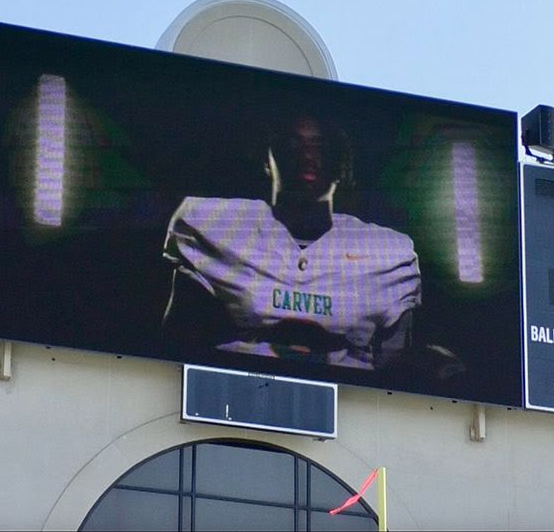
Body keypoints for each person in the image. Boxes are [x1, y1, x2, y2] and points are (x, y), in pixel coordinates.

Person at [160, 112, 424, 370]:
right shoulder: (216, 224)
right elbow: (176, 340)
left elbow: (395, 366)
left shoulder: (385, 251)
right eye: (293, 144)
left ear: (341, 164)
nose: (308, 156)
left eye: (320, 146)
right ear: (268, 158)